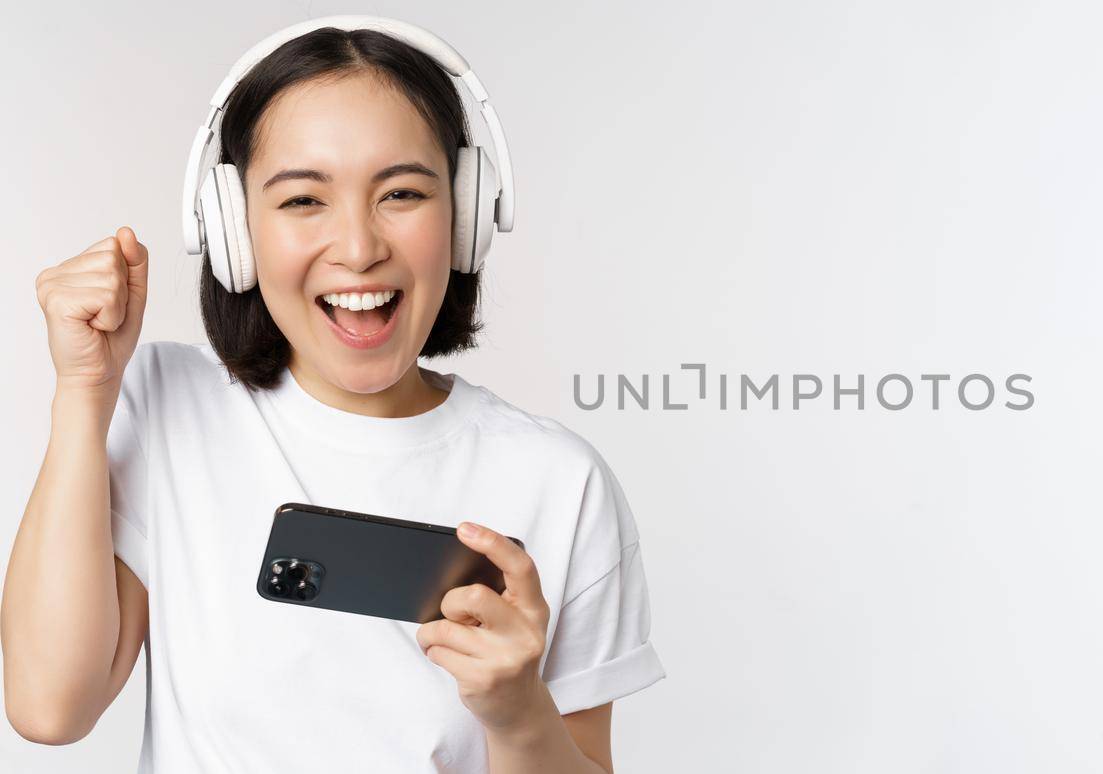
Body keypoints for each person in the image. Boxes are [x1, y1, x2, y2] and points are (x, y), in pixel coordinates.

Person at [1, 21, 665, 773]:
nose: (357, 247)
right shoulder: (166, 409)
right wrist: (84, 393)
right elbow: (49, 707)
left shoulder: (558, 479)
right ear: (232, 231)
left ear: (467, 217)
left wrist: (517, 713)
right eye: (303, 201)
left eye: (403, 192)